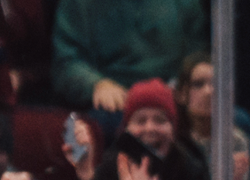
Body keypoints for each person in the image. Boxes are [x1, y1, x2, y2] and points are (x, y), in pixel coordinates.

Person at [52, 0, 207, 114]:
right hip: (117, 99)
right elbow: (67, 62)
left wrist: (182, 85)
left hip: (174, 96)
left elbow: (199, 55)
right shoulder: (80, 4)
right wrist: (97, 85)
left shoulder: (186, 4)